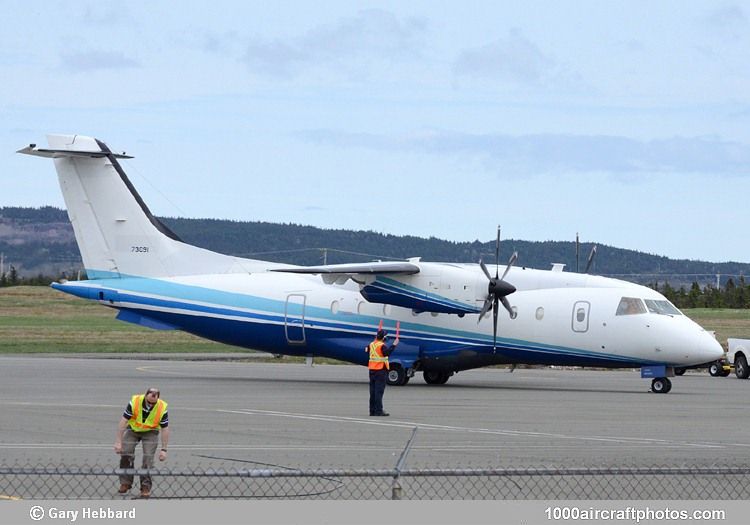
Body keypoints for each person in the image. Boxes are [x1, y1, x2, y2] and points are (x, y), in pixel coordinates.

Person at [114, 387, 170, 498]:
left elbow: (165, 429)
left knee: (148, 458)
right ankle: (125, 482)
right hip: (133, 429)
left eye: (153, 403)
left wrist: (164, 449)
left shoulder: (162, 407)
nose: (150, 405)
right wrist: (118, 441)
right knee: (126, 453)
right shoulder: (134, 402)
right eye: (148, 402)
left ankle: (145, 486)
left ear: (158, 399)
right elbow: (123, 421)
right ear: (145, 396)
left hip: (151, 432)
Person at [366, 329, 399, 416]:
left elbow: (366, 350)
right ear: (384, 338)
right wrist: (394, 345)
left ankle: (372, 411)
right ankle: (378, 411)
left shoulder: (371, 344)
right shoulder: (382, 346)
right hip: (380, 370)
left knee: (372, 392)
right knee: (379, 392)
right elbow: (386, 353)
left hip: (372, 370)